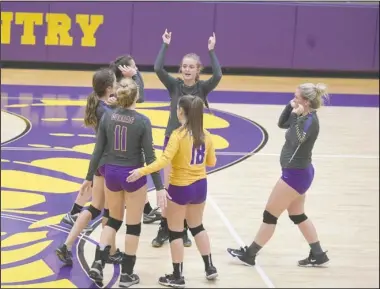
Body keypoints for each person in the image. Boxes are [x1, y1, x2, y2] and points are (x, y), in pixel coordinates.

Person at [227, 83, 330, 267]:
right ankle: (318, 253)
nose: (293, 99)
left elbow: (298, 138)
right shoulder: (303, 115)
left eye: (296, 97)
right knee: (297, 215)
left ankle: (250, 254)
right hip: (298, 173)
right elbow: (282, 124)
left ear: (306, 101)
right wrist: (290, 107)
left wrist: (297, 116)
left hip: (295, 175)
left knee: (270, 215)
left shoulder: (309, 121)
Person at [80, 77, 168, 287]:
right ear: (136, 96)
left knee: (112, 220)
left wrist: (89, 176)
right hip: (133, 175)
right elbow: (150, 157)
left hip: (111, 173)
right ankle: (127, 275)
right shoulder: (142, 121)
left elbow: (98, 150)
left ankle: (98, 263)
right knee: (133, 226)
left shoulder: (107, 118)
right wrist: (160, 186)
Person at [127, 95, 218, 288]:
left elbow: (163, 161)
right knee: (197, 227)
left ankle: (177, 276)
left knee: (175, 232)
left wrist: (141, 171)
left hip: (180, 187)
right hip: (200, 186)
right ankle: (210, 267)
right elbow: (211, 162)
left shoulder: (178, 135)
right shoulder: (206, 135)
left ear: (181, 112)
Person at [152, 29, 223, 248]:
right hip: (171, 139)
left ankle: (181, 229)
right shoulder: (174, 85)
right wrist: (165, 45)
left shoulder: (203, 87)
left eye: (192, 66)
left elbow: (218, 75)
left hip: (192, 143)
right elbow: (157, 68)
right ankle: (165, 226)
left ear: (198, 70)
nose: (187, 69)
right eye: (184, 66)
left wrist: (212, 51)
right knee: (168, 185)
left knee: (184, 185)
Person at [56, 68, 123, 265]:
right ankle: (108, 253)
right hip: (110, 164)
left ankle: (66, 246)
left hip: (101, 164)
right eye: (116, 84)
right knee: (110, 212)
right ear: (109, 88)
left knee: (95, 207)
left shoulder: (101, 106)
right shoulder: (107, 112)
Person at [110, 55, 162, 224]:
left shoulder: (120, 85)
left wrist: (133, 76)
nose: (137, 69)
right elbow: (141, 96)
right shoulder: (122, 89)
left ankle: (146, 210)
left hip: (118, 138)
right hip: (119, 140)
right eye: (134, 67)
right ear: (126, 70)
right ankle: (81, 211)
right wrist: (134, 76)